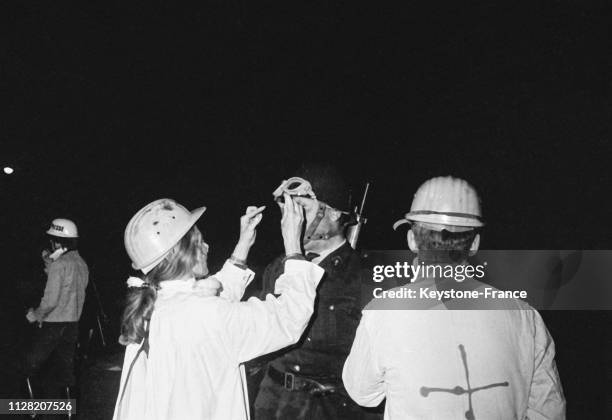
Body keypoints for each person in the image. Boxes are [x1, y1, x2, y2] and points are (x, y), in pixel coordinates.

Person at [342, 176, 566, 419]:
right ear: (474, 244)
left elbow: (361, 392)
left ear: (411, 240)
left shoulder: (383, 312)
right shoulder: (525, 317)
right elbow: (549, 411)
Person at [112, 196, 323, 420]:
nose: (207, 246)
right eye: (199, 242)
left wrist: (243, 245)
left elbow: (213, 300)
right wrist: (293, 246)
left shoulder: (155, 305)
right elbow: (289, 316)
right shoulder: (207, 314)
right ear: (181, 254)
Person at [253, 165, 380, 420]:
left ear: (333, 214)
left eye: (302, 209)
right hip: (274, 404)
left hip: (331, 410)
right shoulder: (278, 267)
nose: (292, 219)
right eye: (288, 209)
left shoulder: (364, 275)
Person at [23, 218, 89, 400]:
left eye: (52, 240)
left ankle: (34, 412)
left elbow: (51, 300)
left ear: (58, 241)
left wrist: (35, 315)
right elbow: (70, 288)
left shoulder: (60, 265)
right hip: (72, 325)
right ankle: (68, 413)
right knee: (66, 374)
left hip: (54, 325)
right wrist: (49, 263)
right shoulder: (81, 263)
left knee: (28, 366)